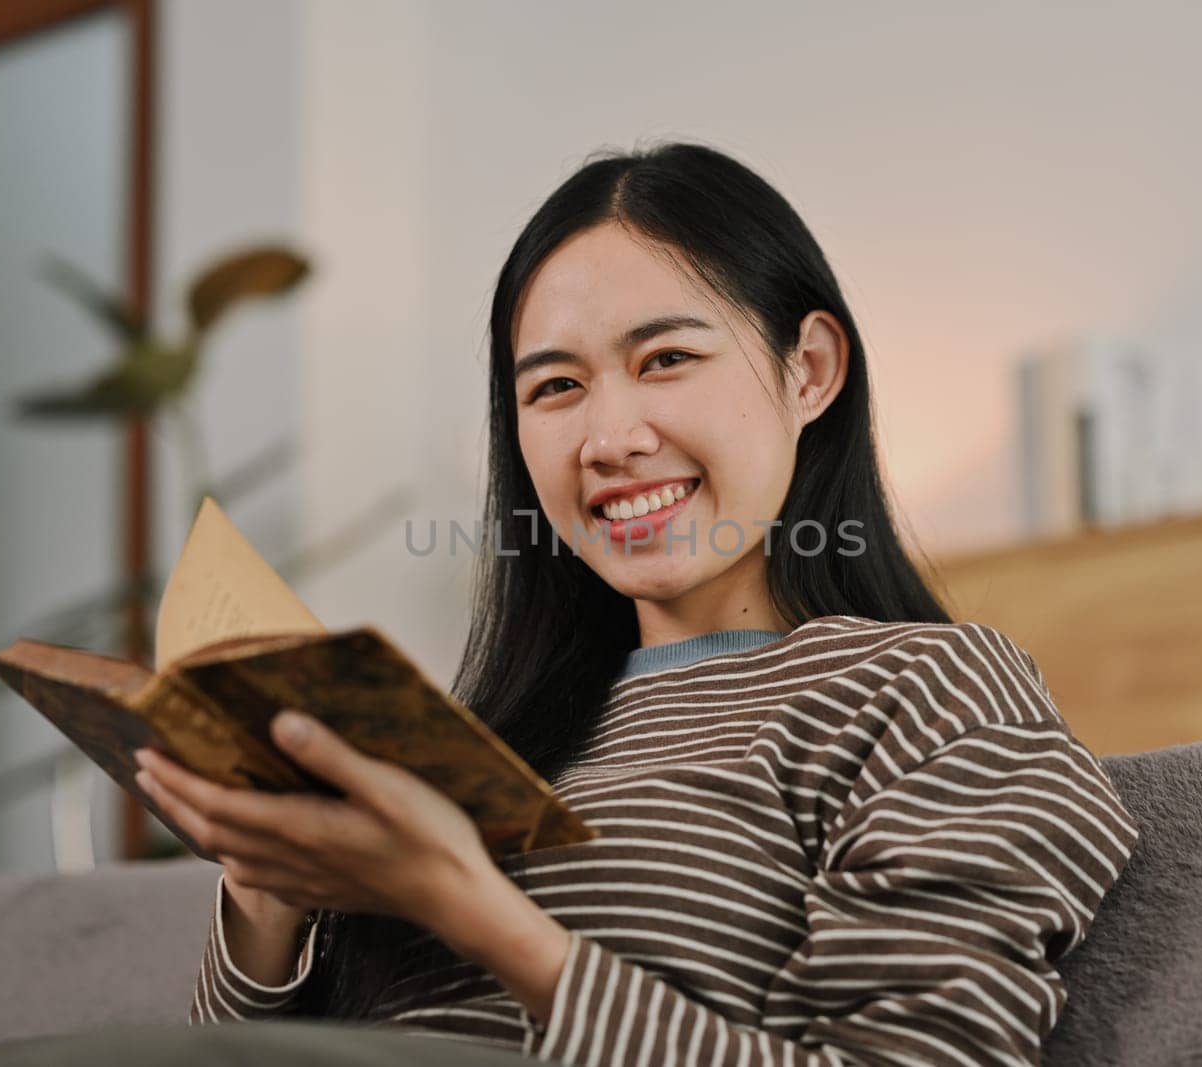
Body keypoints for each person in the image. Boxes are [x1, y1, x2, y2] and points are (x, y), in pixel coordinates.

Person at [133, 141, 1140, 1066]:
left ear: (810, 370)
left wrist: (471, 903)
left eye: (665, 359)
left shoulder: (932, 693)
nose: (608, 437)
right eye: (555, 386)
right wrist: (264, 893)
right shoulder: (476, 733)